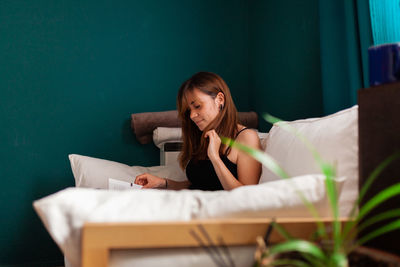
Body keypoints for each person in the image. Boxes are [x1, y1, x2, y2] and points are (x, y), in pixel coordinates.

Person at [134, 72, 261, 190]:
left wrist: (215, 158)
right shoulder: (204, 135)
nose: (192, 115)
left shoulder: (247, 138)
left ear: (220, 100)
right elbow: (199, 185)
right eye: (189, 110)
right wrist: (163, 182)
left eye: (197, 106)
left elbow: (246, 197)